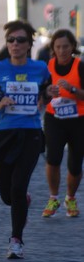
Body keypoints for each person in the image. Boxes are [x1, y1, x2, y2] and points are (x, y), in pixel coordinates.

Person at [0, 19, 51, 260]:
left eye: (20, 40)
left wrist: (47, 96)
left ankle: (16, 239)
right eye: (11, 40)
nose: (15, 44)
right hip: (4, 133)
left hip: (30, 133)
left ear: (29, 44)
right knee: (7, 195)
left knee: (18, 186)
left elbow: (47, 93)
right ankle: (22, 202)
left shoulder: (40, 68)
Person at [42, 29, 84, 218]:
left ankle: (71, 198)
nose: (62, 50)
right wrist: (48, 92)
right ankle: (53, 197)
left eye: (66, 46)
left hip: (78, 119)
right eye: (58, 47)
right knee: (53, 158)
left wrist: (74, 89)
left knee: (75, 163)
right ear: (53, 48)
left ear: (72, 47)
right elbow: (42, 94)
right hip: (55, 118)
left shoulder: (80, 66)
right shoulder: (48, 66)